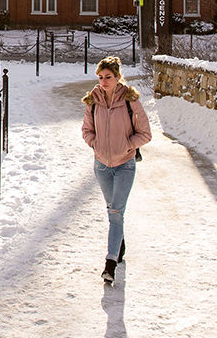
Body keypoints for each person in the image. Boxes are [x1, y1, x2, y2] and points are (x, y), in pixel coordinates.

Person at [81, 55, 152, 284]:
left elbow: (145, 133)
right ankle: (119, 244)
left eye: (108, 77)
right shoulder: (93, 101)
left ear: (117, 76)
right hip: (101, 166)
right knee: (112, 209)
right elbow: (86, 130)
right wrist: (95, 143)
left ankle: (110, 263)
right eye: (100, 77)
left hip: (124, 166)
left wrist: (128, 146)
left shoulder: (131, 101)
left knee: (116, 212)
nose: (104, 81)